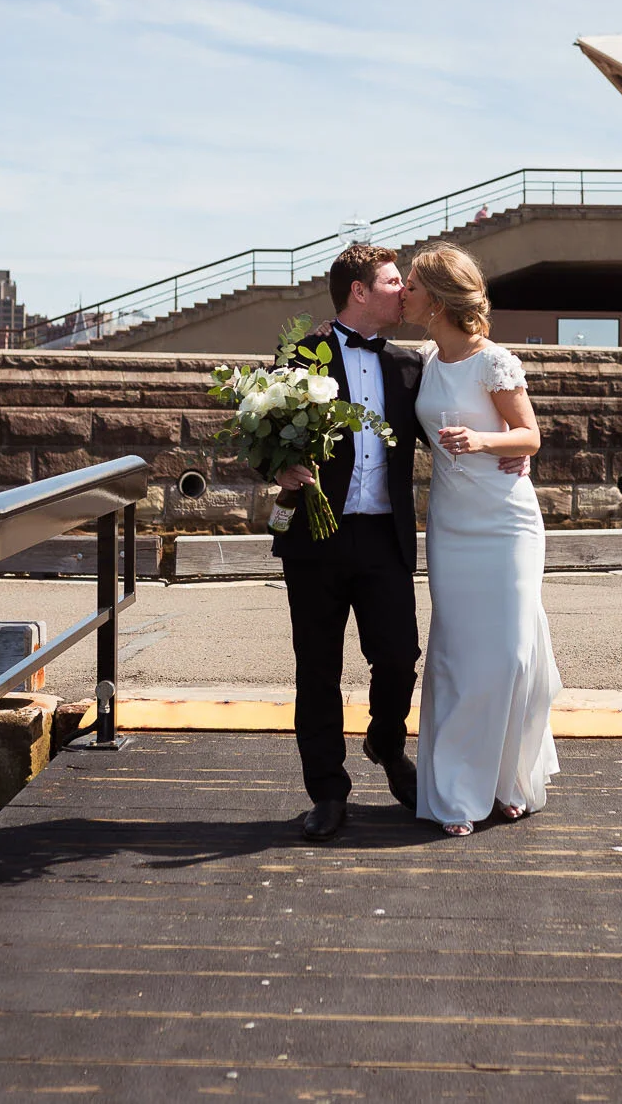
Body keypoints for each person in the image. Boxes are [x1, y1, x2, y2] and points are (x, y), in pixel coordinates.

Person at [270, 243, 525, 842]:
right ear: (359, 291)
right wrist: (278, 469)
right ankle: (328, 793)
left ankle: (386, 745)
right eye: (391, 282)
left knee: (398, 657)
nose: (401, 292)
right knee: (318, 670)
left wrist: (507, 456)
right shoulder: (297, 356)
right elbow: (265, 433)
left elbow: (457, 418)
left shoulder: (412, 366)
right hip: (315, 539)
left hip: (384, 538)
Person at [403, 243, 562, 837]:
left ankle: (510, 780)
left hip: (505, 523)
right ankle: (457, 789)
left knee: (511, 653)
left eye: (413, 284)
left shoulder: (495, 361)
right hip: (450, 523)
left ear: (440, 298)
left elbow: (529, 437)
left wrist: (482, 442)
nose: (405, 293)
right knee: (457, 655)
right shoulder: (424, 359)